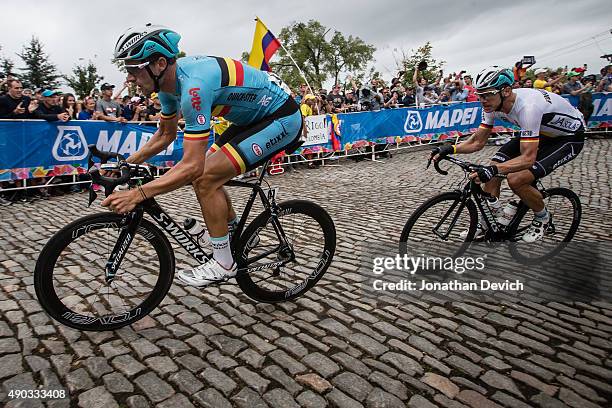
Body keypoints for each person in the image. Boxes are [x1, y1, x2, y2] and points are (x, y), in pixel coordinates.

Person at [102, 24, 303, 286]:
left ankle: (223, 263)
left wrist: (138, 194)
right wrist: (125, 164)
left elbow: (193, 166)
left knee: (205, 176)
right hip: (251, 119)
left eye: (133, 70)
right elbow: (165, 135)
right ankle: (236, 236)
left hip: (281, 117)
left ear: (160, 64)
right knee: (206, 176)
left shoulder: (193, 88)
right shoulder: (167, 88)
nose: (129, 78)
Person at [432, 66, 586, 243]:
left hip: (567, 138)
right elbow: (477, 142)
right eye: (479, 94)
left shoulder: (528, 108)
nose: (482, 100)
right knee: (491, 173)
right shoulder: (491, 104)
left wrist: (495, 169)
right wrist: (450, 149)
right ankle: (488, 224)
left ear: (505, 91)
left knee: (516, 179)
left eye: (487, 94)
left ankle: (543, 218)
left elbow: (528, 159)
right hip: (540, 132)